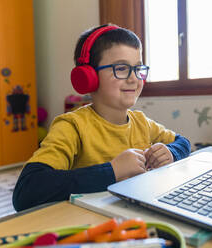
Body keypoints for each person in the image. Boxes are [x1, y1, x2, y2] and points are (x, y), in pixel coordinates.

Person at [12, 24, 191, 211]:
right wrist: (112, 171)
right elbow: (27, 190)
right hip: (88, 222)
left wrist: (171, 153)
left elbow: (183, 142)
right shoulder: (72, 126)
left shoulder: (141, 122)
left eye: (138, 69)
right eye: (121, 68)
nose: (134, 79)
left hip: (135, 215)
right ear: (88, 77)